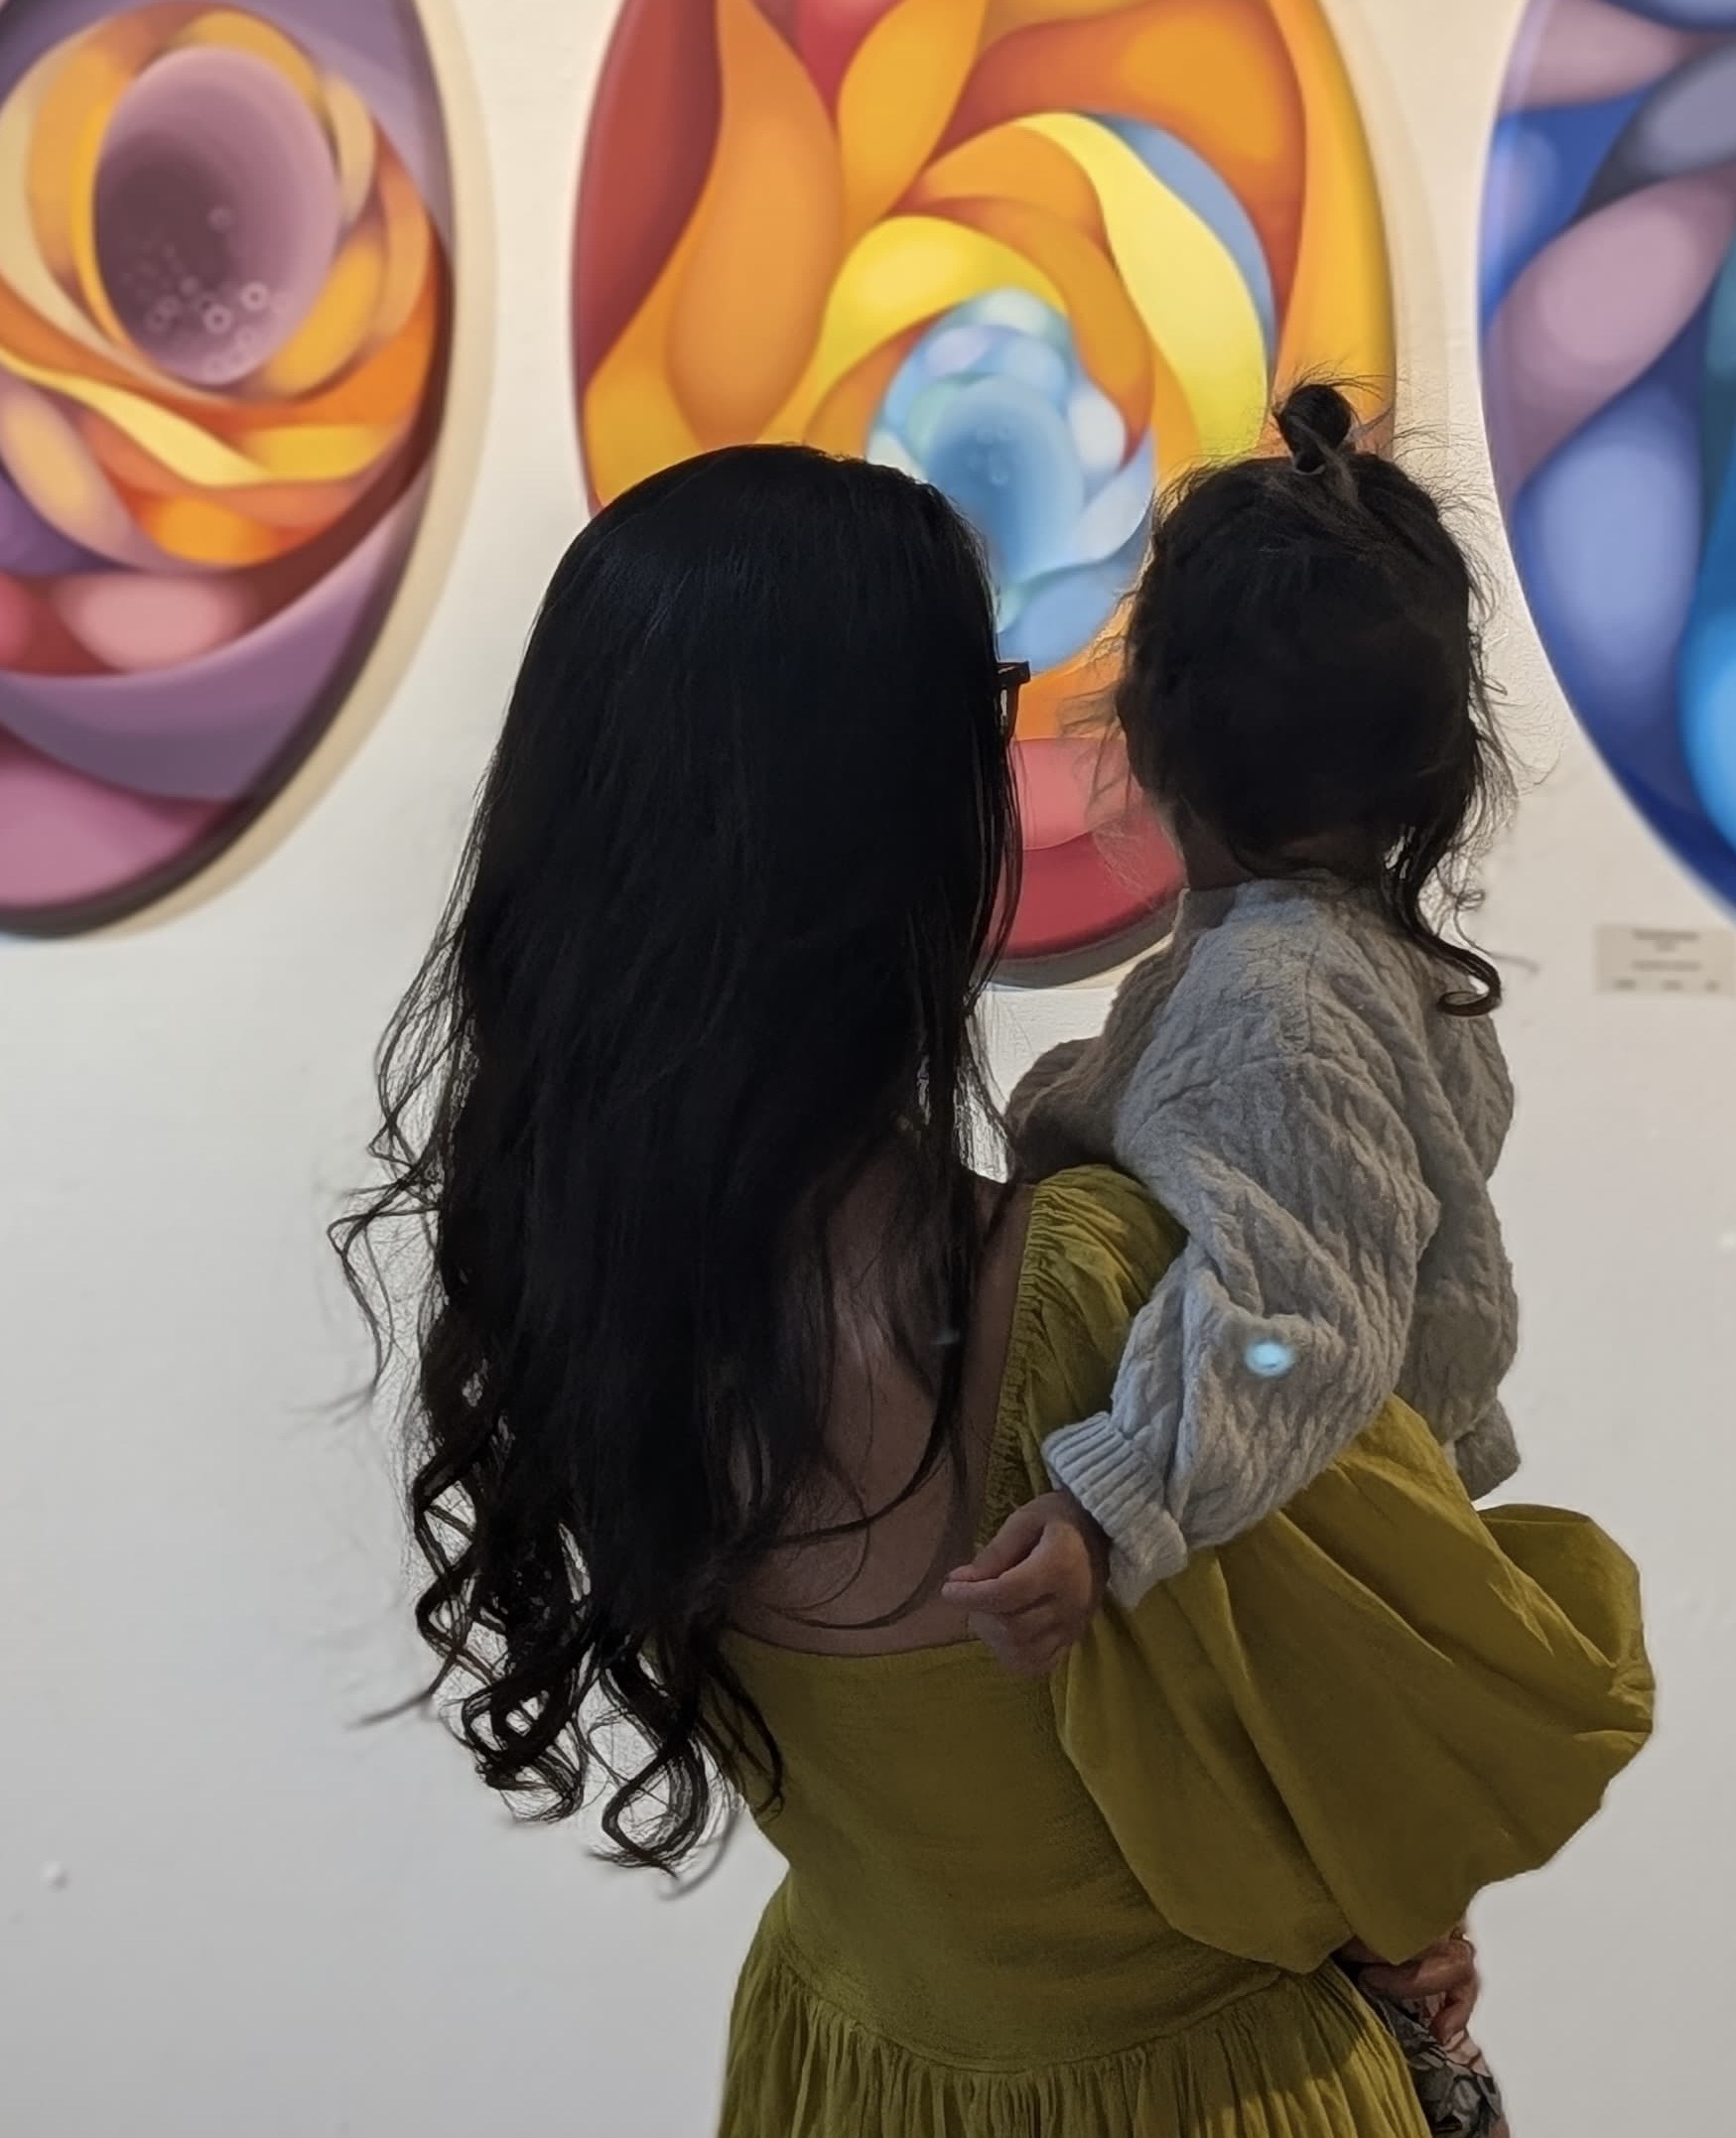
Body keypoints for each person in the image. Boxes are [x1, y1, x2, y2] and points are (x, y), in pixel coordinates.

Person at [336, 442, 1652, 2138]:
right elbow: (1388, 1781)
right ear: (905, 814)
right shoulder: (1099, 1307)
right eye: (995, 708)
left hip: (848, 2068)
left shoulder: (573, 1283)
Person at [943, 383, 1534, 2128]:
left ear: (1152, 732)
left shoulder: (1272, 1000)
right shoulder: (1342, 966)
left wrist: (1114, 1493)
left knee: (1367, 1988)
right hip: (1361, 1558)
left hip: (1302, 1564)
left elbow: (1294, 1324)